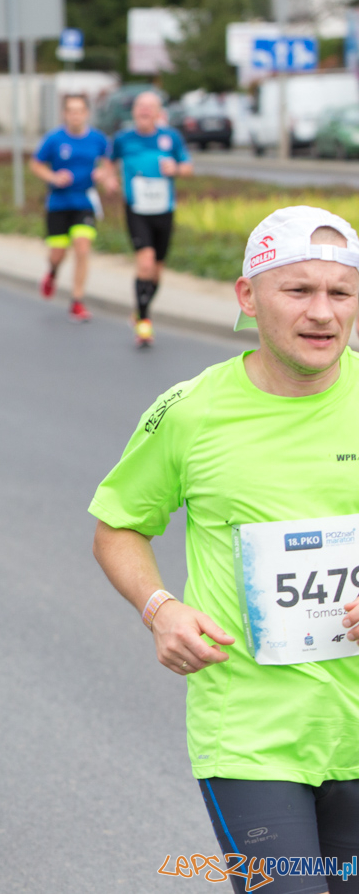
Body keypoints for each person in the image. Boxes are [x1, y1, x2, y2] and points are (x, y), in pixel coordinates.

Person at [90, 205, 359, 894]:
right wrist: (161, 607)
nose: (323, 312)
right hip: (251, 738)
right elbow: (118, 525)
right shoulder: (190, 410)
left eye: (341, 292)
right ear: (248, 295)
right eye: (298, 290)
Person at [110, 90, 193, 347]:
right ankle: (144, 322)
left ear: (158, 113)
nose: (144, 111)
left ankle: (139, 310)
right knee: (144, 263)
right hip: (136, 208)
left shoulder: (170, 138)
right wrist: (109, 178)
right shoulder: (123, 139)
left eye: (150, 107)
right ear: (134, 111)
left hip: (164, 209)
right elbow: (107, 163)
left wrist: (176, 169)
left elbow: (188, 167)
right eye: (140, 106)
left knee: (156, 270)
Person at [29, 93, 111, 323]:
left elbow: (109, 163)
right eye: (71, 111)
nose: (75, 115)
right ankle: (52, 273)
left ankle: (77, 301)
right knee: (58, 254)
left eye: (80, 110)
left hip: (84, 202)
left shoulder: (98, 139)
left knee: (82, 248)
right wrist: (53, 177)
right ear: (65, 114)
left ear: (86, 113)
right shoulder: (54, 139)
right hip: (58, 203)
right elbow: (36, 164)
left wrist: (104, 175)